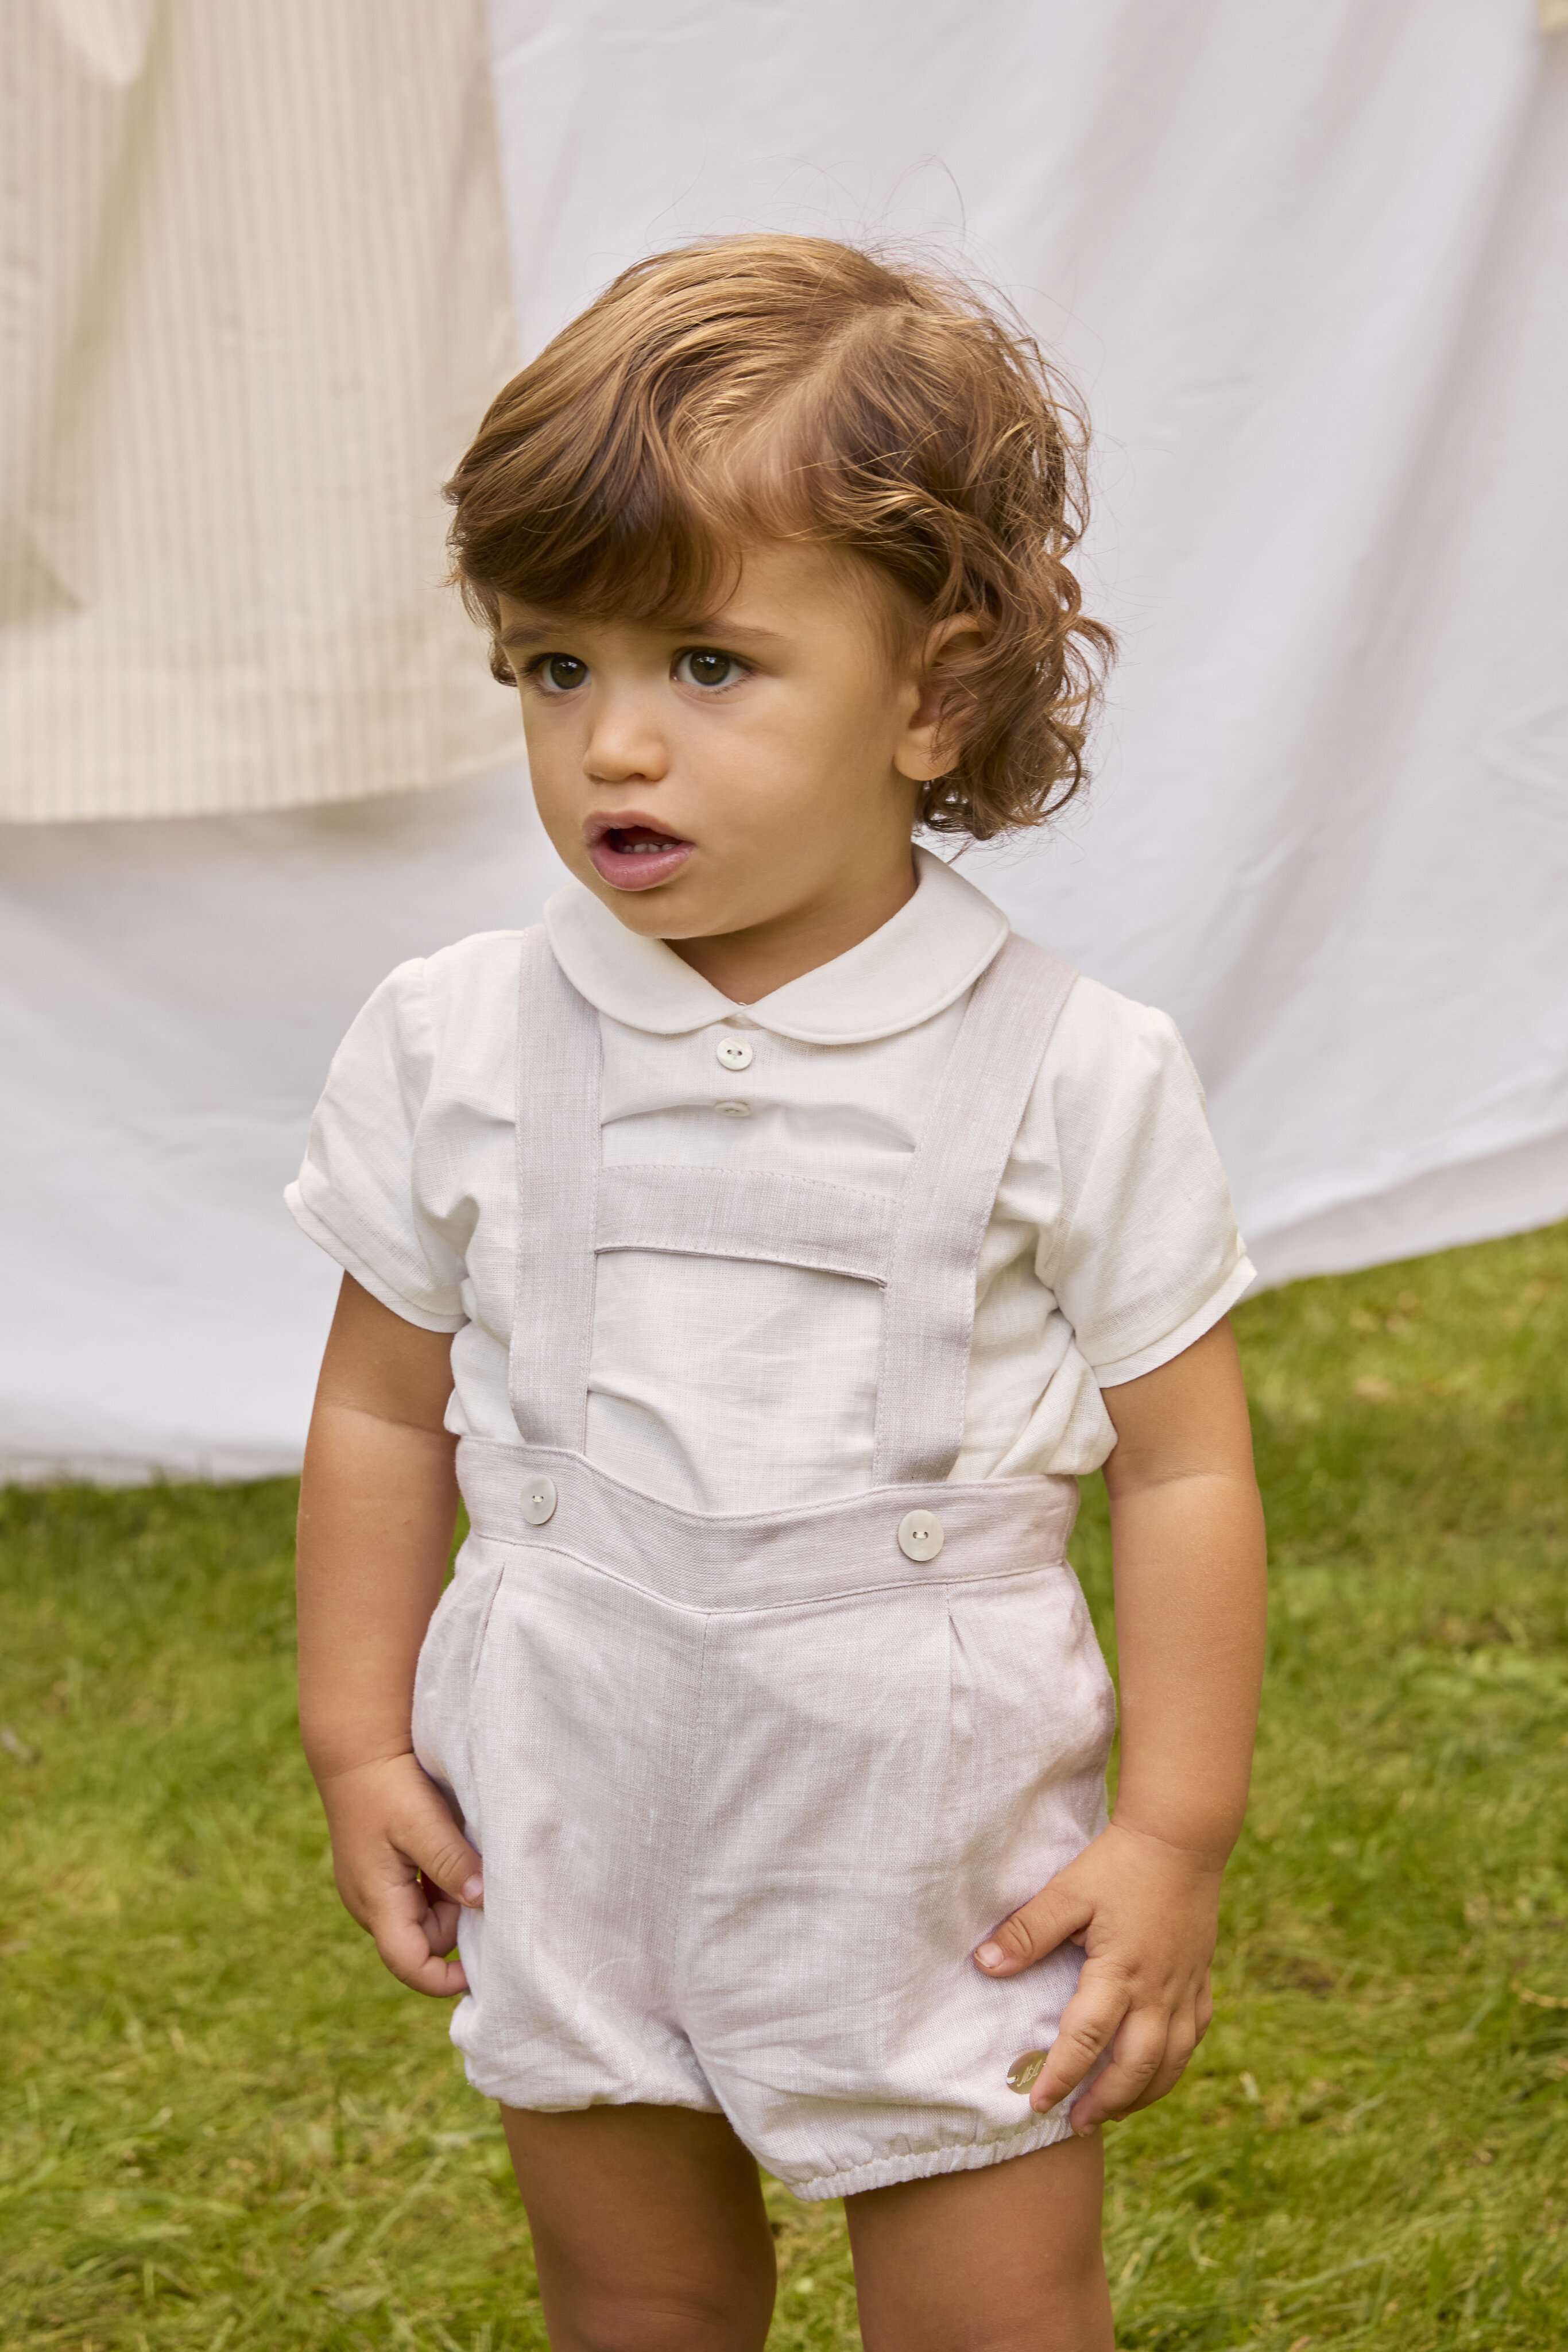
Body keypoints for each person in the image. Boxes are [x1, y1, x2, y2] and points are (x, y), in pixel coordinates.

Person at [289, 234, 1268, 2352]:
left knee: (994, 2305)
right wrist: (361, 1738)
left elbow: (1184, 1470)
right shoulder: (456, 1036)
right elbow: (380, 1404)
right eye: (556, 671)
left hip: (919, 1810)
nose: (613, 747)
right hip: (562, 1761)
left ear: (932, 692)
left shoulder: (1069, 1072)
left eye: (706, 668)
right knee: (630, 2290)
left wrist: (1174, 1834)